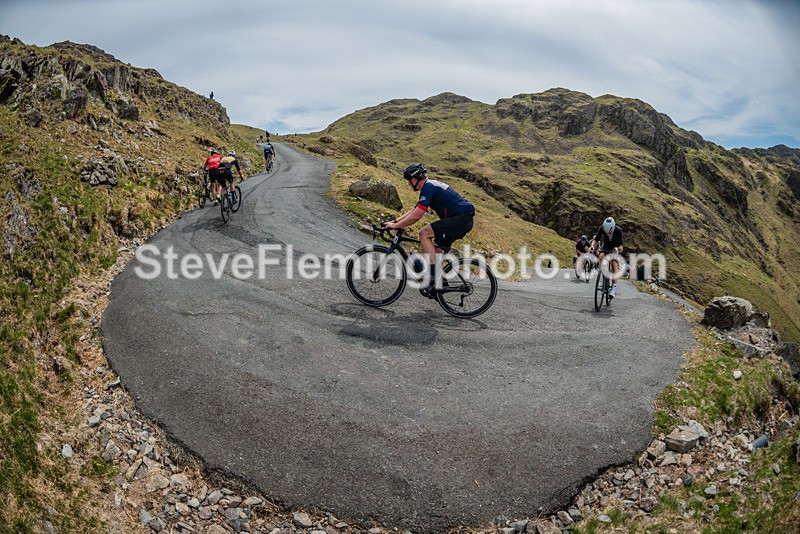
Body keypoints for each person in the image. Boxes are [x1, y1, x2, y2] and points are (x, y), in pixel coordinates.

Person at [385, 163, 475, 298]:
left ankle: (432, 276)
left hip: (461, 218)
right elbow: (414, 210)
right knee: (437, 251)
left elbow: (417, 216)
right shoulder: (429, 187)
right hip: (459, 219)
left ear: (414, 179)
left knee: (424, 234)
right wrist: (395, 222)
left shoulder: (428, 187)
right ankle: (440, 284)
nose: (409, 184)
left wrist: (396, 226)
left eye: (409, 181)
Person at [590, 217, 624, 298]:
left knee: (614, 264)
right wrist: (592, 247)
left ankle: (613, 288)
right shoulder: (602, 227)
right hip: (606, 246)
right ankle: (601, 277)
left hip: (615, 248)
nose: (608, 234)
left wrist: (617, 249)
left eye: (610, 233)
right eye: (606, 233)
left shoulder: (618, 230)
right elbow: (595, 240)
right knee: (601, 256)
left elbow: (621, 247)